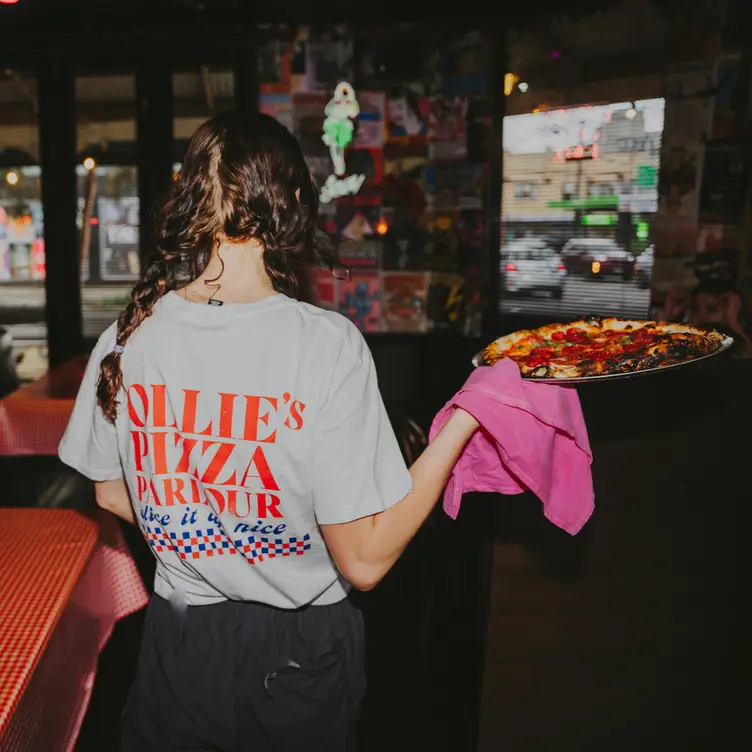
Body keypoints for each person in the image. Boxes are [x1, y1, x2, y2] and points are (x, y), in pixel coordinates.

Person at [58, 111, 478, 752]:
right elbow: (364, 560)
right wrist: (467, 417)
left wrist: (204, 537)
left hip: (179, 643)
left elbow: (111, 495)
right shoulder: (325, 344)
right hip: (299, 652)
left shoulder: (128, 336)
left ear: (193, 199)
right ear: (291, 205)